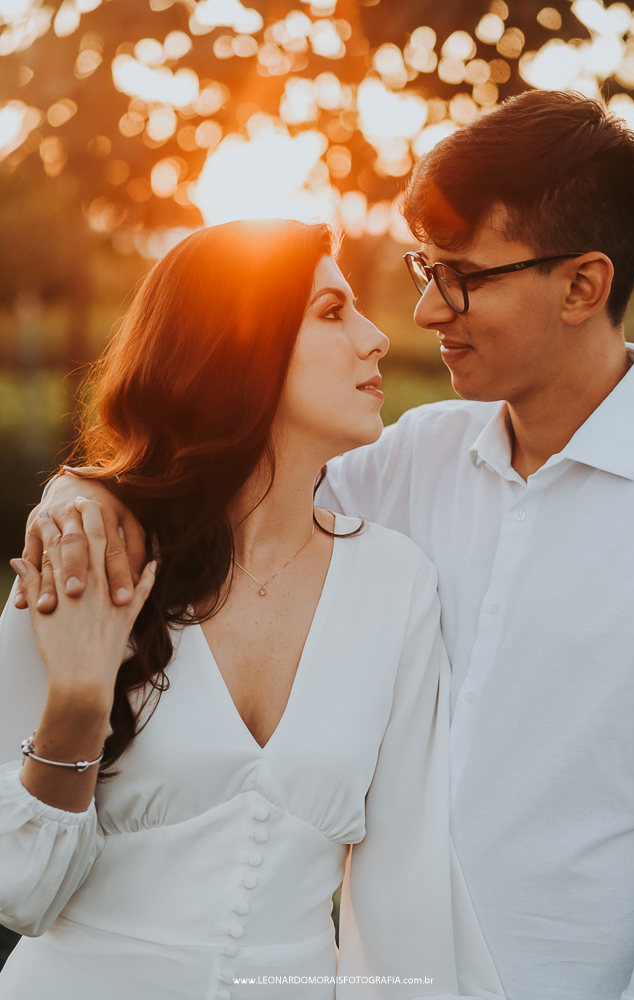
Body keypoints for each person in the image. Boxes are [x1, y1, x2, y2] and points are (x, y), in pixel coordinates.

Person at [28, 90, 634, 1000]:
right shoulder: (409, 461)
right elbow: (212, 481)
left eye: (460, 275)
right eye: (421, 265)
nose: (424, 308)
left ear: (581, 286)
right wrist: (77, 493)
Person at [0, 220, 503, 999]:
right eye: (333, 312)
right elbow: (19, 891)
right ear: (236, 347)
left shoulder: (395, 584)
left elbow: (405, 895)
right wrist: (76, 702)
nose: (376, 338)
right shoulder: (91, 551)